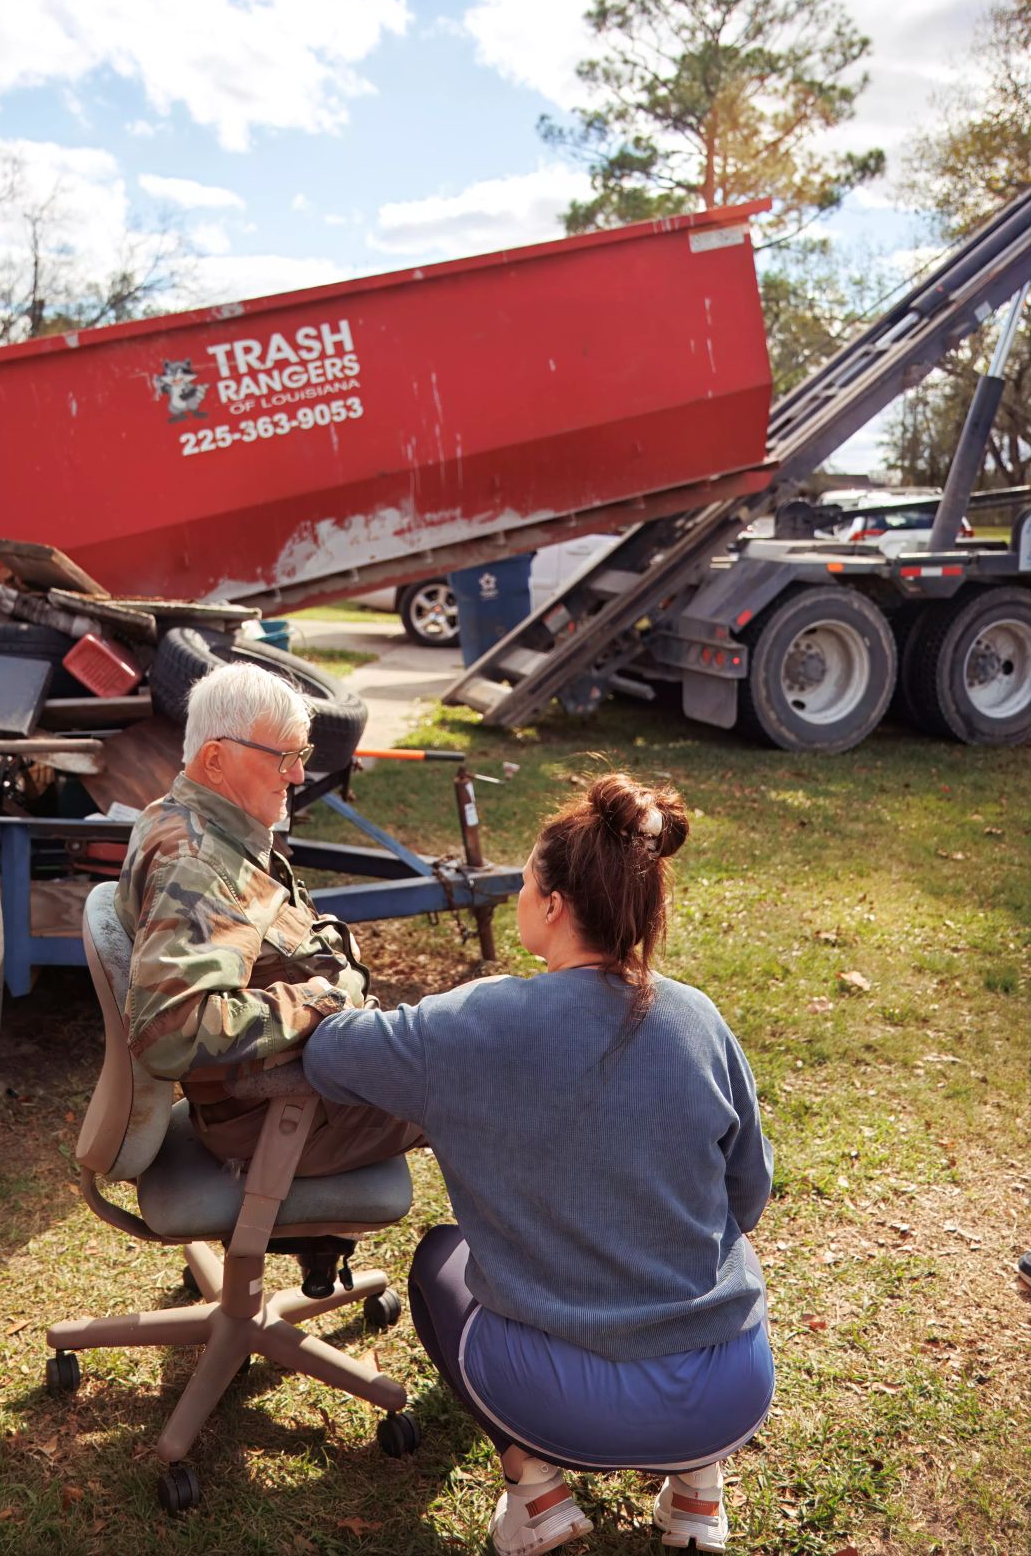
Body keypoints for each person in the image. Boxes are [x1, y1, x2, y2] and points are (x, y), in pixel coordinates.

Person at [304, 773, 774, 1555]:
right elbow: (746, 1196)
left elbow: (329, 1052)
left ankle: (539, 1494)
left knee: (437, 1263)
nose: (521, 894)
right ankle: (697, 1491)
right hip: (728, 1391)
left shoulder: (472, 1022)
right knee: (724, 1248)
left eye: (524, 883)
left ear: (552, 906)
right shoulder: (700, 1017)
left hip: (564, 1404)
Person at [115, 661, 421, 1177]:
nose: (299, 774)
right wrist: (318, 999)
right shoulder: (196, 865)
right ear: (215, 759)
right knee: (485, 1090)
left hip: (297, 1089)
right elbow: (170, 1033)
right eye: (283, 757)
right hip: (283, 1115)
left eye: (300, 754)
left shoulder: (190, 818)